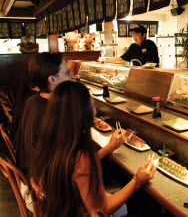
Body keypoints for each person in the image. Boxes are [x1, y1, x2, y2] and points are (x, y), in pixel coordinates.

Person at [15, 53, 125, 212]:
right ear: (52, 80)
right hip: (43, 197)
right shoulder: (48, 115)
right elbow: (72, 167)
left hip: (36, 183)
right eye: (67, 73)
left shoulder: (33, 101)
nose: (72, 76)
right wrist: (110, 147)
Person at [30, 81, 156, 216]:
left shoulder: (51, 142)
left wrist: (110, 147)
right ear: (84, 113)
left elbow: (76, 169)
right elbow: (101, 210)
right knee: (149, 204)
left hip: (61, 209)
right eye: (92, 104)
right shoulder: (82, 160)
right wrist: (137, 180)